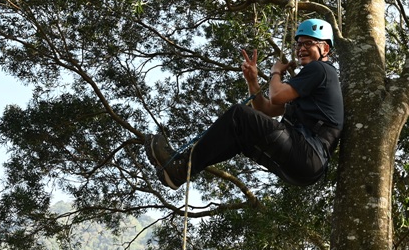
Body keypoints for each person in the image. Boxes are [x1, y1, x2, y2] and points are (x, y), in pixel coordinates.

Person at [146, 18, 343, 189]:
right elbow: (266, 109)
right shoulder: (311, 84)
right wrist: (252, 81)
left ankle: (182, 167)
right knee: (241, 134)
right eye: (298, 45)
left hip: (308, 155)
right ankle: (178, 170)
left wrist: (276, 72)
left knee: (238, 116)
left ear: (325, 48)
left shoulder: (321, 69)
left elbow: (276, 97)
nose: (301, 49)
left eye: (308, 44)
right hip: (303, 168)